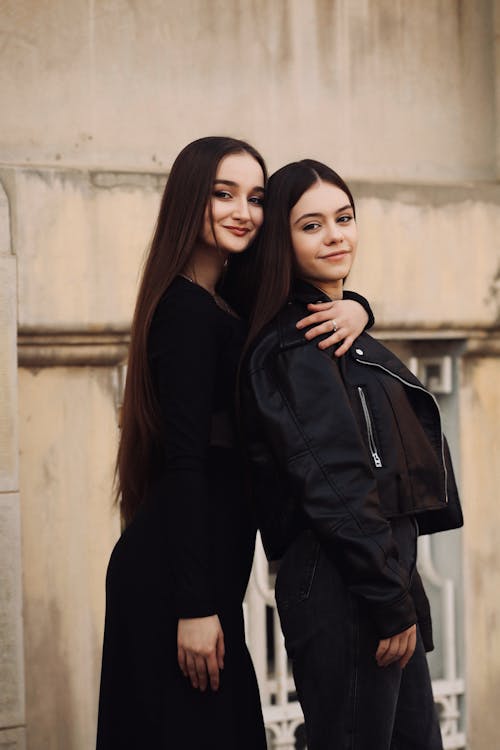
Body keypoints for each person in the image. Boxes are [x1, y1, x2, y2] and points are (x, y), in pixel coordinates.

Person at [96, 139, 373, 749]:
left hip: (209, 576)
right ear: (190, 199)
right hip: (176, 587)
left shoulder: (226, 305)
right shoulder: (187, 312)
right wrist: (194, 607)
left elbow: (302, 312)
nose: (243, 211)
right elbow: (187, 463)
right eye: (224, 194)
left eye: (255, 197)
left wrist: (356, 307)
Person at [240, 159, 463, 750]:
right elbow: (333, 479)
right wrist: (389, 598)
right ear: (281, 243)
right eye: (311, 225)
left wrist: (360, 306)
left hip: (379, 565)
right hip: (345, 576)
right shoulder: (299, 345)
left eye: (344, 218)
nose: (336, 234)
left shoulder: (335, 329)